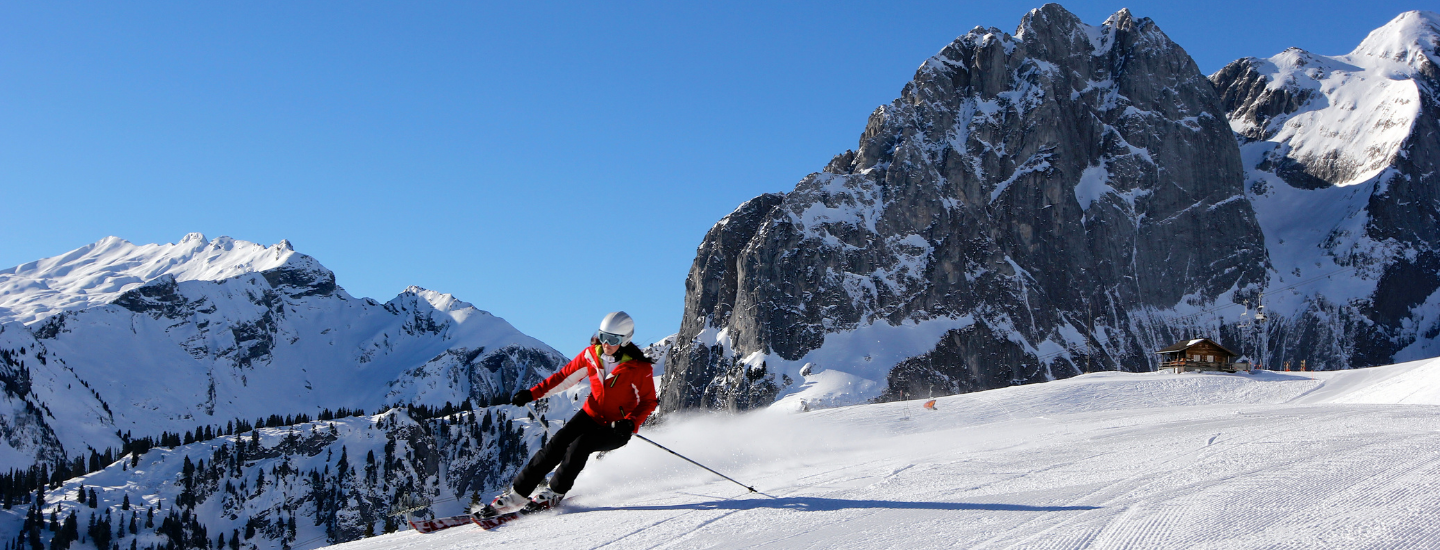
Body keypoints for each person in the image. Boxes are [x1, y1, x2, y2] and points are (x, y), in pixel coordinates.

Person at [477, 311, 658, 516]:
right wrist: (531, 394)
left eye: (613, 339)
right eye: (603, 336)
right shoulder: (591, 355)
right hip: (591, 414)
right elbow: (563, 378)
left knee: (581, 445)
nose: (606, 343)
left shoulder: (638, 368)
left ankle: (555, 492)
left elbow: (648, 401)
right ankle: (517, 494)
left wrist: (631, 422)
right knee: (555, 445)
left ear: (625, 340)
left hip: (617, 427)